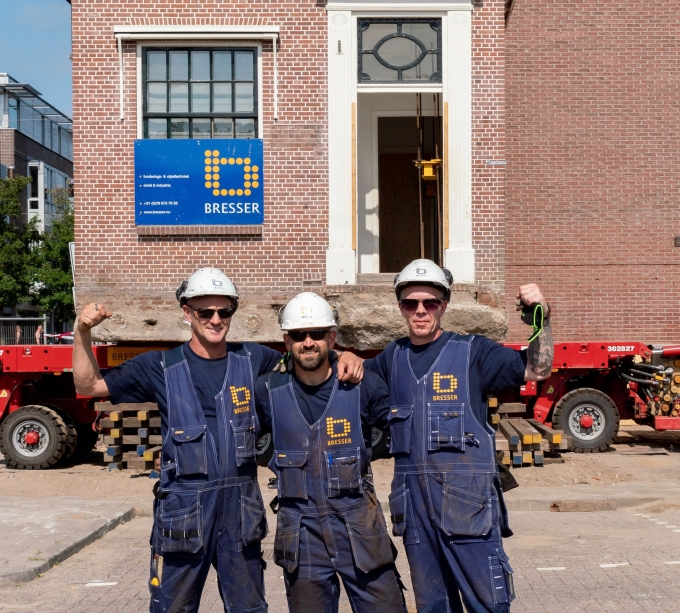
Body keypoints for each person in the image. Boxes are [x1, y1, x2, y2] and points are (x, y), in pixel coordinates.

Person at [72, 268, 364, 613]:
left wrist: (342, 355)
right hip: (183, 515)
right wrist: (82, 332)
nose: (215, 319)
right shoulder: (159, 366)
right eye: (204, 311)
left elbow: (307, 358)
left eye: (224, 311)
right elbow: (88, 386)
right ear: (186, 313)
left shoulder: (256, 359)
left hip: (240, 514)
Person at [364, 259, 554, 613]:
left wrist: (540, 316)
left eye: (430, 303)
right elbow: (352, 379)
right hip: (416, 516)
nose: (420, 311)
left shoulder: (473, 353)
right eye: (410, 303)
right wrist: (343, 354)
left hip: (468, 513)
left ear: (444, 305)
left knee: (488, 607)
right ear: (401, 307)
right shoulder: (392, 357)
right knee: (434, 607)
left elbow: (537, 368)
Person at [254, 292, 406, 613]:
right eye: (298, 335)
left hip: (361, 533)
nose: (308, 342)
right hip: (302, 538)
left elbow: (400, 433)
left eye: (317, 334)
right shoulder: (267, 392)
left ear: (332, 337)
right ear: (287, 341)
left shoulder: (363, 386)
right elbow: (241, 435)